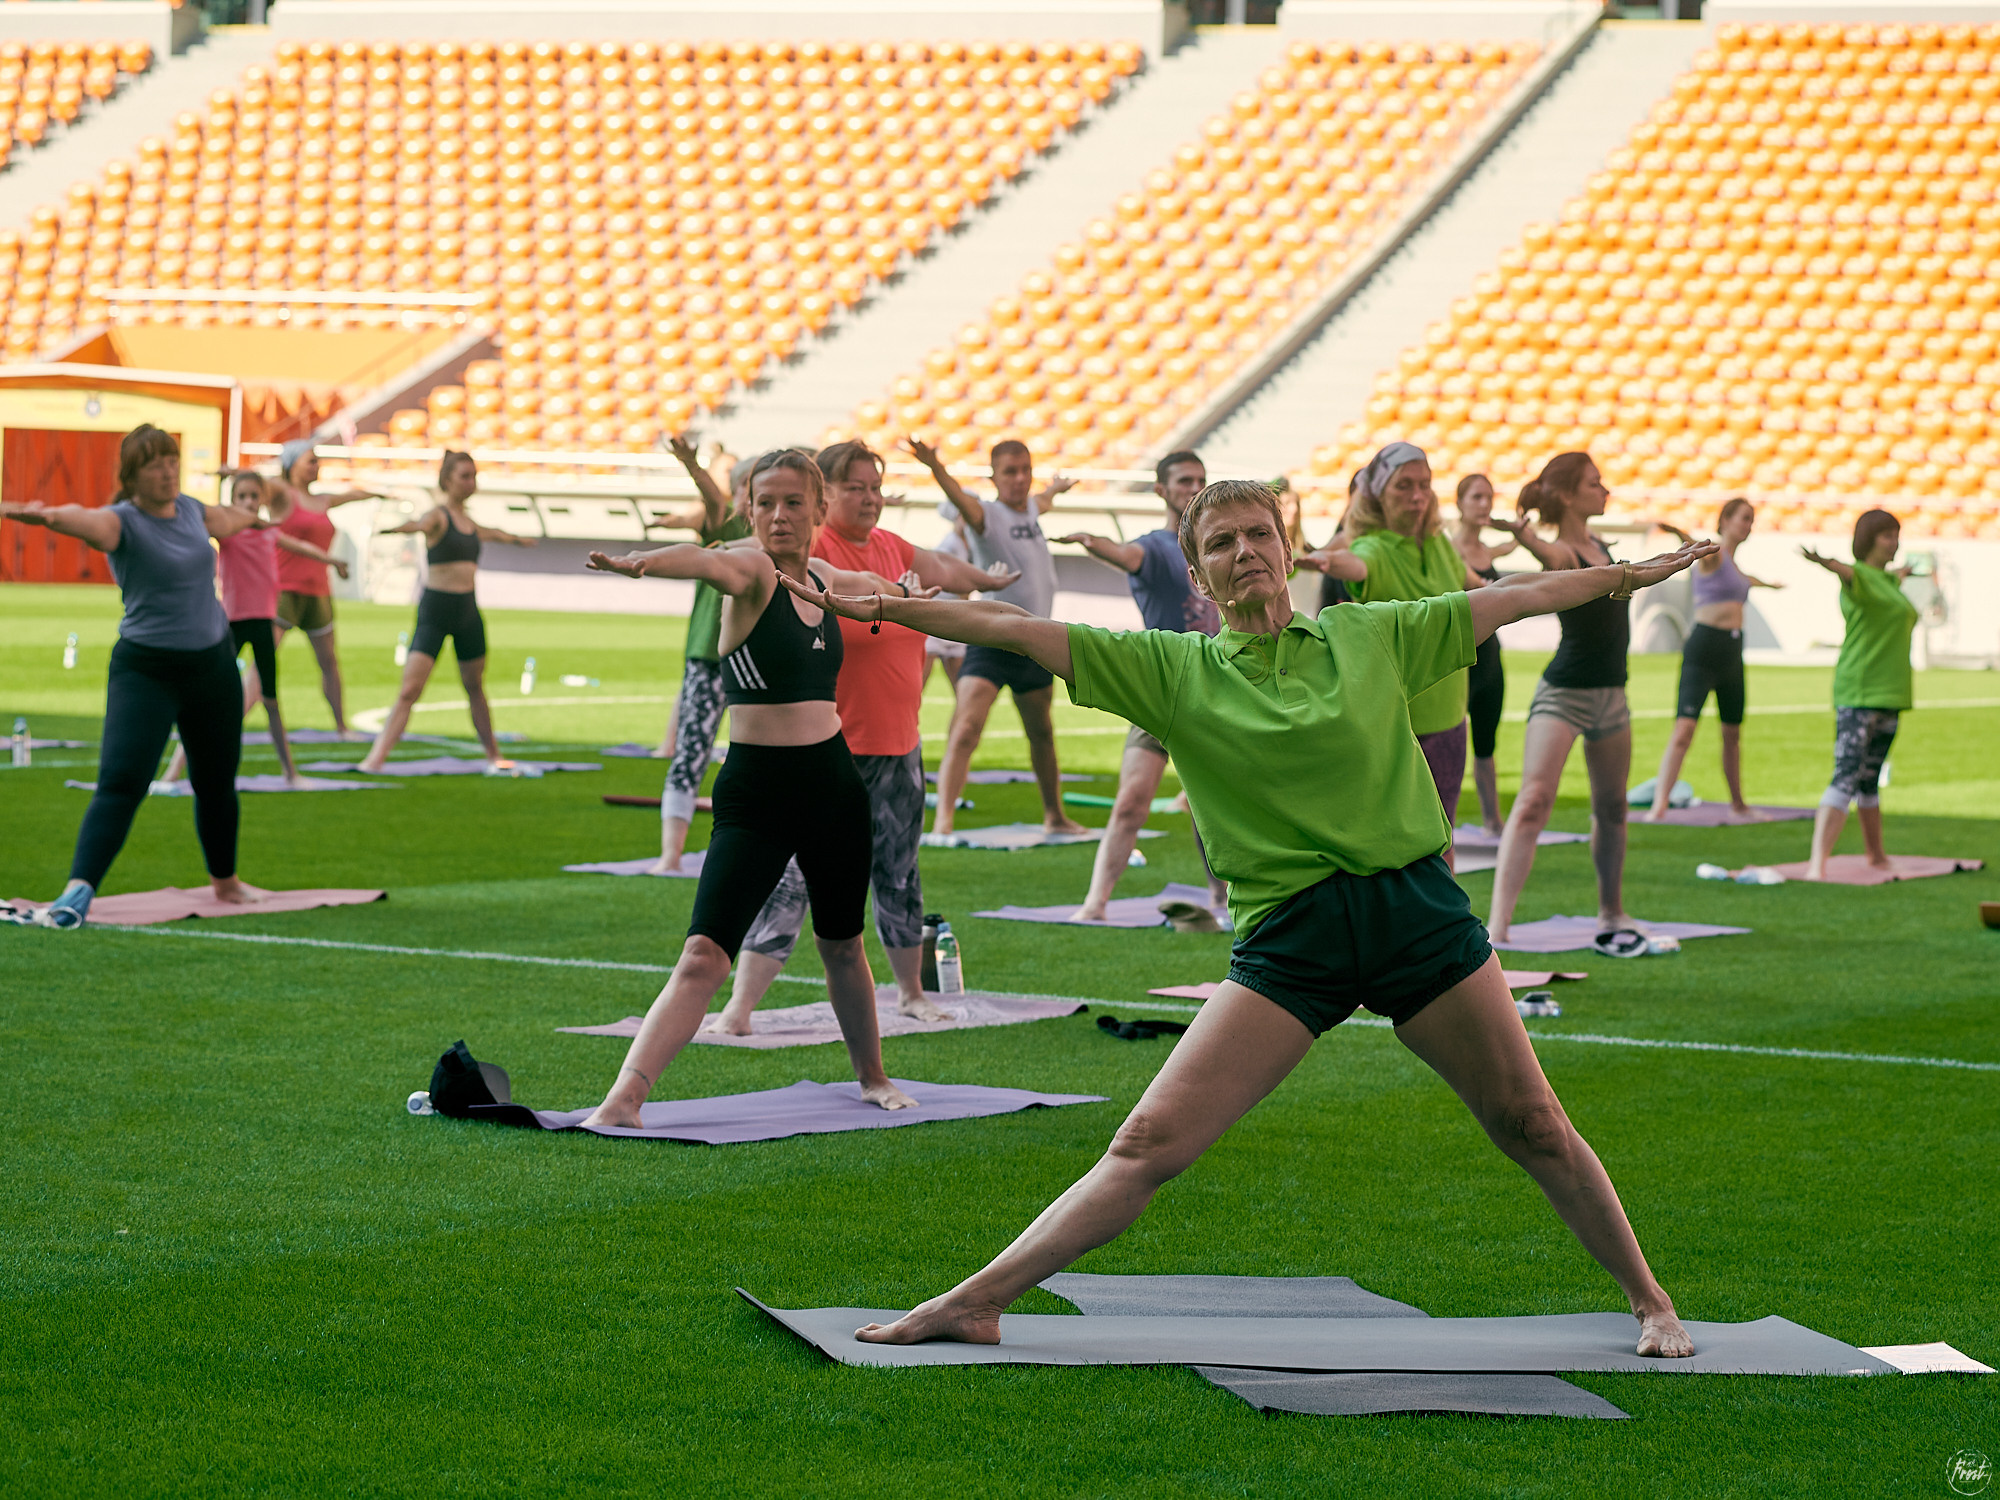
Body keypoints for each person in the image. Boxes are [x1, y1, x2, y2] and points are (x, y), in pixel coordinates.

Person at [776, 478, 1709, 1357]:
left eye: (1260, 533)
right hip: (1290, 943)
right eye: (1219, 543)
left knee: (1531, 1122)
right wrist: (888, 607)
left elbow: (1519, 598)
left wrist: (1625, 577)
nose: (1245, 551)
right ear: (1199, 571)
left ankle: (1650, 1299)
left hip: (1415, 917)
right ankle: (974, 1300)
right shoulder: (1171, 669)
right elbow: (1012, 626)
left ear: (1290, 547)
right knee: (1147, 1143)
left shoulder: (1371, 636)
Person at [577, 449, 941, 1123]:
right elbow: (705, 558)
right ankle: (623, 1099)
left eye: (793, 503)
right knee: (702, 956)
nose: (778, 516)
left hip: (834, 784)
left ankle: (873, 1077)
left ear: (818, 510)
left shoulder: (827, 577)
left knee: (841, 944)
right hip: (758, 792)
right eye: (765, 503)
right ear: (747, 509)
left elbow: (876, 586)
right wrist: (645, 562)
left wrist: (920, 597)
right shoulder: (749, 569)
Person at [698, 440, 1019, 1034]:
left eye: (876, 487)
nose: (869, 499)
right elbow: (728, 563)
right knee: (789, 885)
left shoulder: (893, 549)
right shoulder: (803, 549)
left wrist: (991, 577)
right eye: (855, 488)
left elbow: (945, 572)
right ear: (825, 499)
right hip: (830, 751)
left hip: (900, 743)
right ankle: (739, 1007)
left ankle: (911, 993)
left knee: (899, 871)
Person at [1, 426, 269, 926]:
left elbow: (230, 519)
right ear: (132, 476)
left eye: (172, 460)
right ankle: (79, 889)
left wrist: (257, 513)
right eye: (154, 464)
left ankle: (226, 882)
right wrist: (38, 514)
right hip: (147, 672)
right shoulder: (121, 522)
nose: (168, 471)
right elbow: (78, 520)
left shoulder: (191, 509)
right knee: (122, 782)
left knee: (216, 784)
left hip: (212, 667)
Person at [1485, 454, 1654, 953]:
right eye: (1595, 484)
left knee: (1613, 806)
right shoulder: (1563, 553)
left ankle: (1612, 909)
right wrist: (1524, 537)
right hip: (1562, 695)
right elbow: (1547, 555)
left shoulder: (1600, 545)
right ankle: (1498, 926)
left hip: (1611, 696)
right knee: (1535, 799)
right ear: (1566, 495)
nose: (1605, 491)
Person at [1056, 448, 1227, 922]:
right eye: (1183, 481)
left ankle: (1222, 896)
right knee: (1132, 800)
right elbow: (1126, 555)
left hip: (1214, 687)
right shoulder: (1155, 547)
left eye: (1200, 478)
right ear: (1161, 491)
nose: (1194, 487)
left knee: (1213, 805)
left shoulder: (1219, 541)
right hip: (1158, 688)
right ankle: (1095, 904)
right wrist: (1094, 541)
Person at [1300, 443, 1488, 861]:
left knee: (1443, 839)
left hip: (1449, 718)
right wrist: (1320, 561)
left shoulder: (1440, 543)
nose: (1417, 496)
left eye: (1424, 485)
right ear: (1379, 494)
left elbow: (1477, 584)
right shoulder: (1375, 548)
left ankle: (1448, 927)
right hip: (1394, 723)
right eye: (1404, 486)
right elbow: (1354, 564)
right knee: (1391, 845)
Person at [904, 436, 1084, 840]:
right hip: (991, 638)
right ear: (994, 477)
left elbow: (1043, 500)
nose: (1019, 480)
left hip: (1035, 642)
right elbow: (959, 498)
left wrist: (1055, 489)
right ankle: (944, 821)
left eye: (1025, 471)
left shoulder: (1033, 508)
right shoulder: (986, 515)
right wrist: (935, 466)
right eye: (1010, 472)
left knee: (1042, 733)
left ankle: (1055, 815)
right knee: (966, 727)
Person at [358, 452, 536, 773]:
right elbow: (422, 524)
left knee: (475, 688)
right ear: (447, 480)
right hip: (436, 610)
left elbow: (494, 533)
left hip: (467, 611)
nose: (471, 482)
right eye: (464, 476)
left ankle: (494, 755)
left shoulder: (470, 523)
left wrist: (518, 541)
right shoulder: (439, 516)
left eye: (473, 476)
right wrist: (400, 529)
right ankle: (375, 759)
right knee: (410, 689)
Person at [162, 470, 317, 787]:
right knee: (207, 701)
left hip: (263, 624)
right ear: (233, 501)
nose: (248, 502)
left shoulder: (269, 533)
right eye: (241, 496)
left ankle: (291, 772)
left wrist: (332, 560)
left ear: (263, 499)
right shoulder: (229, 535)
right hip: (230, 625)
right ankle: (173, 772)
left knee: (271, 700)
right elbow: (197, 523)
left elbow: (301, 547)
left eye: (253, 496)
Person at [1643, 499, 1783, 822]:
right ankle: (1659, 806)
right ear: (1726, 520)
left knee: (1732, 734)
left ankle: (1738, 804)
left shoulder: (1734, 565)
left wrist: (1772, 586)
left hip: (1732, 652)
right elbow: (1696, 547)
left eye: (1751, 519)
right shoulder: (1714, 554)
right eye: (1743, 518)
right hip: (1704, 647)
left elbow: (1748, 580)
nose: (1748, 525)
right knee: (1684, 730)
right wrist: (1675, 531)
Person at [649, 440, 752, 871]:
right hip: (710, 657)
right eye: (750, 487)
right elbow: (713, 498)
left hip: (754, 661)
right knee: (691, 750)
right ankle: (670, 855)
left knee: (754, 758)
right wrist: (691, 463)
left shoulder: (789, 538)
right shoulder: (727, 526)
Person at [1801, 509, 1917, 881]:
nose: (1894, 541)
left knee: (1869, 779)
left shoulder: (1887, 581)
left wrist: (1903, 574)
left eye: (1896, 534)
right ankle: (1817, 864)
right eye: (1886, 535)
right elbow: (1846, 572)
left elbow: (1889, 580)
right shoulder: (1861, 577)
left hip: (1890, 692)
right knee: (1846, 774)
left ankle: (1876, 856)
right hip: (1860, 690)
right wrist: (1824, 562)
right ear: (1868, 540)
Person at [267, 439, 378, 739]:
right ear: (292, 465)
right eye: (310, 460)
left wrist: (380, 493)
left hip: (318, 593)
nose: (316, 466)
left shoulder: (323, 500)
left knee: (329, 662)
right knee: (263, 663)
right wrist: (233, 471)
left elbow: (352, 494)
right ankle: (229, 722)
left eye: (317, 461)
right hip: (284, 591)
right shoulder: (282, 494)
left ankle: (341, 727)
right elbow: (257, 484)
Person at [644, 437, 738, 759]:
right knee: (695, 704)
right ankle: (676, 755)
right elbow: (704, 506)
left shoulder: (761, 523)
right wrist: (692, 465)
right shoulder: (723, 518)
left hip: (739, 636)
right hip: (712, 635)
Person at [1448, 473, 1516, 835]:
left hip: (1490, 656)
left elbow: (1512, 545)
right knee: (1449, 745)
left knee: (1486, 743)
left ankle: (1494, 821)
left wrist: (1517, 528)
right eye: (1476, 497)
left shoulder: (1486, 551)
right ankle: (1444, 822)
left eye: (1488, 497)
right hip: (1458, 658)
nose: (1484, 504)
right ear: (1459, 502)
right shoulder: (1448, 551)